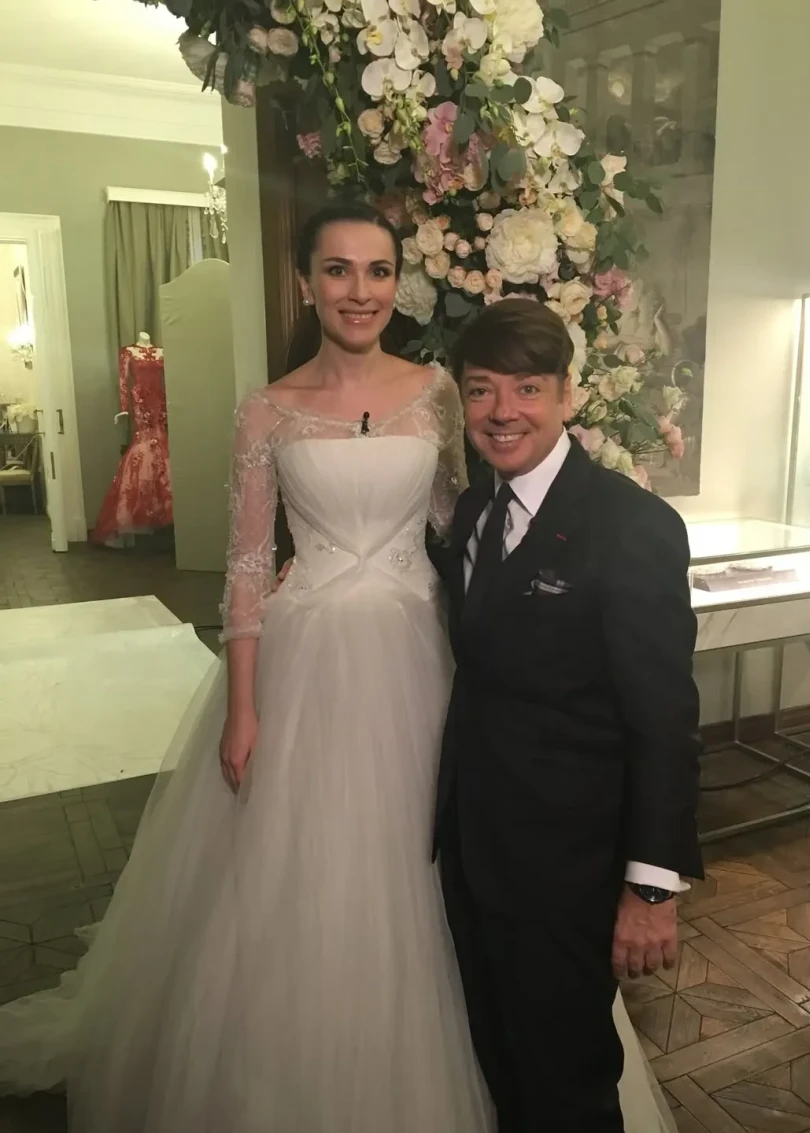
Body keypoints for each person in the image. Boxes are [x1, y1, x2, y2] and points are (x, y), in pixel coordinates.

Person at [0, 204, 677, 1133]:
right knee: (304, 877)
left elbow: (463, 528)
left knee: (447, 853)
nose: (360, 291)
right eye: (338, 270)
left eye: (378, 271)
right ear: (307, 283)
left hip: (419, 652)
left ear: (398, 282)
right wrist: (244, 706)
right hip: (307, 655)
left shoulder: (441, 393)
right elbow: (245, 565)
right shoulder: (265, 408)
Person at [434, 298, 703, 1132]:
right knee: (504, 1069)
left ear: (567, 394)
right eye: (481, 390)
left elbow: (665, 718)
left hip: (568, 867)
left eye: (527, 388)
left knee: (569, 1085)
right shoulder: (474, 514)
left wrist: (651, 887)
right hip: (475, 851)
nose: (502, 411)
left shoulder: (633, 525)